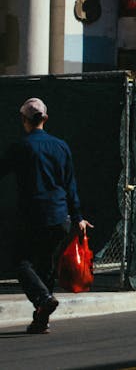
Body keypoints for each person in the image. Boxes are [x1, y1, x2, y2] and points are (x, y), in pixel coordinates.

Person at [0, 98, 91, 334]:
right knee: (46, 265)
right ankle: (41, 318)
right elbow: (70, 185)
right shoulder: (61, 147)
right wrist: (78, 216)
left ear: (24, 120)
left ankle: (42, 299)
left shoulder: (20, 147)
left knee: (20, 262)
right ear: (45, 119)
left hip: (33, 216)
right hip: (60, 217)